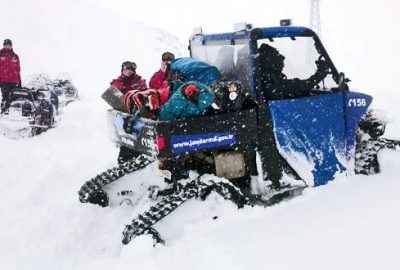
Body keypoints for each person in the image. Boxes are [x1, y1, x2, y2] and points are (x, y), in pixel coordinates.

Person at [110, 61, 147, 164]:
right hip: (122, 115)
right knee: (126, 136)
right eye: (127, 69)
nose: (129, 71)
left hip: (137, 114)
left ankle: (137, 155)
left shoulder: (139, 81)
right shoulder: (117, 82)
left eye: (131, 69)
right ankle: (124, 160)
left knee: (136, 134)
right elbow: (112, 95)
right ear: (122, 70)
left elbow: (144, 93)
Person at [0, 39, 21, 113]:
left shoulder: (15, 56)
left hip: (14, 81)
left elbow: (18, 69)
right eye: (6, 45)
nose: (7, 46)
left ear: (11, 46)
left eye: (9, 45)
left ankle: (13, 114)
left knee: (14, 98)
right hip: (4, 81)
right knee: (5, 98)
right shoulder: (0, 54)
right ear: (4, 45)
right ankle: (4, 112)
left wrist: (19, 81)